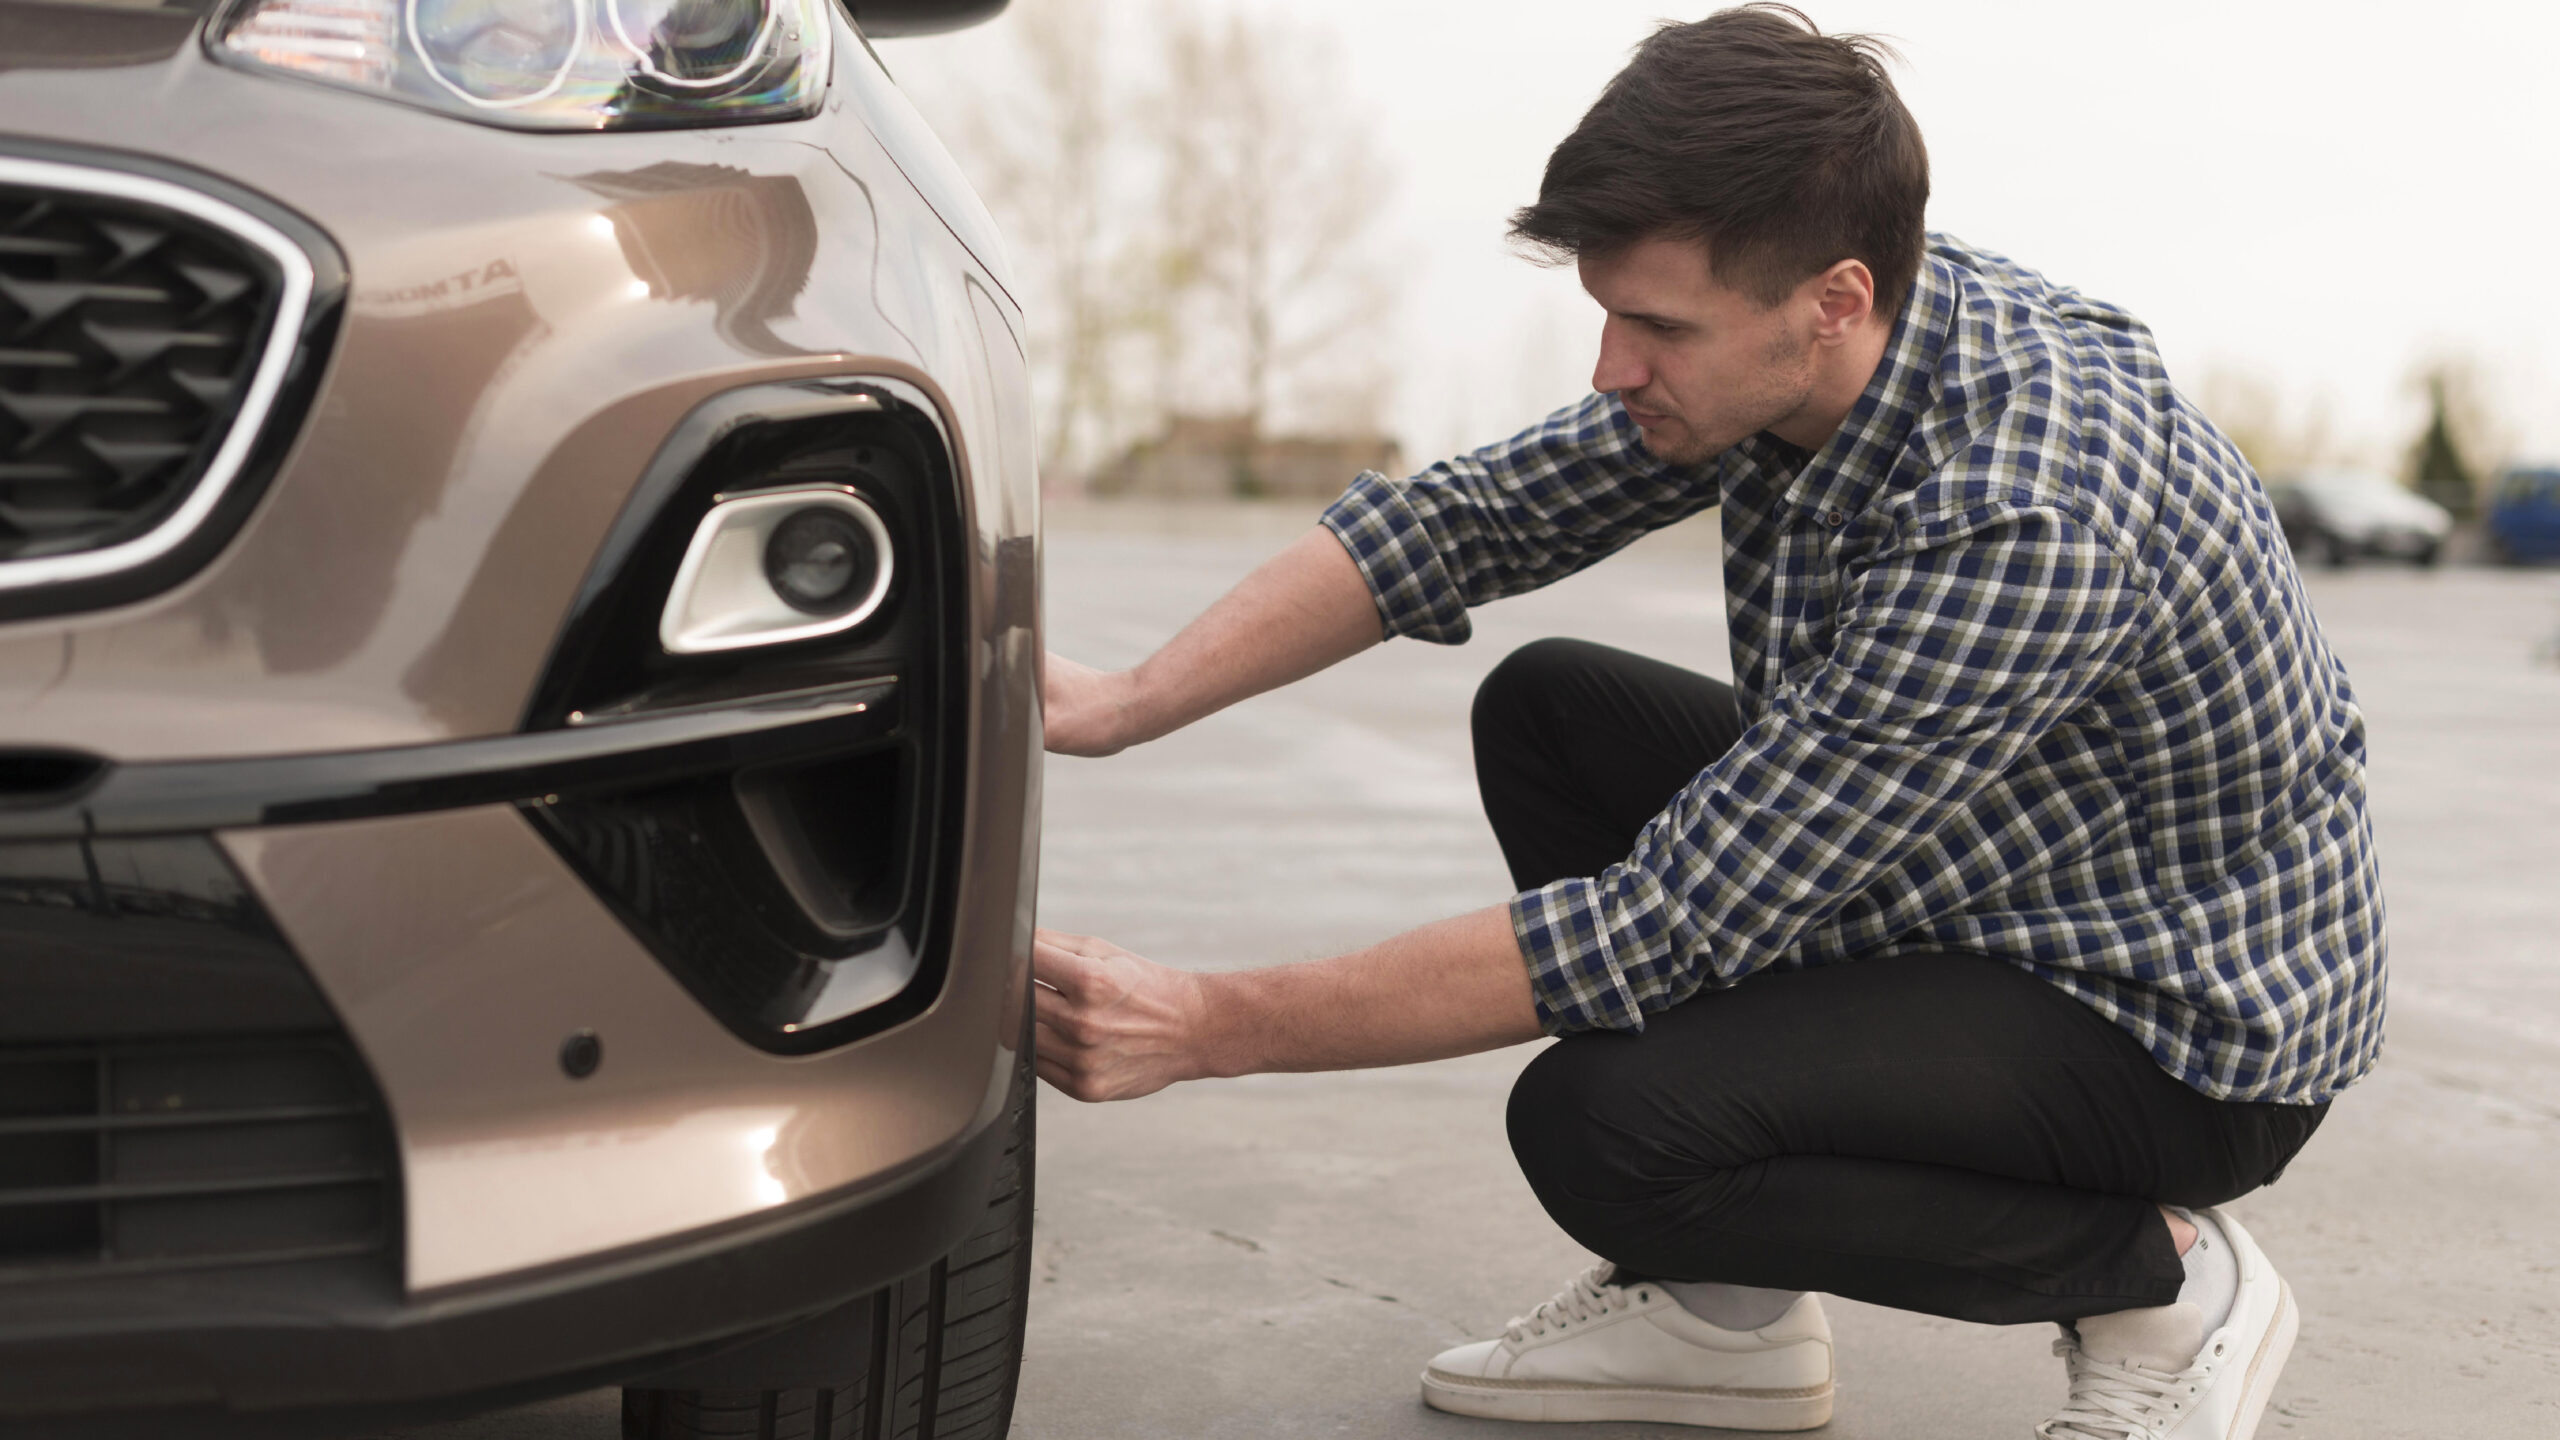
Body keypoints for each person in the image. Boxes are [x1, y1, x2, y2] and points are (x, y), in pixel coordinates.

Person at [1031, 7, 2383, 1438]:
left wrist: (1205, 1025)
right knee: (1553, 710)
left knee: (1605, 1129)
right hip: (1993, 876)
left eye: (1657, 327)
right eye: (1609, 313)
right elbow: (1469, 518)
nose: (1615, 367)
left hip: (2172, 1018)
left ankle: (2165, 1290)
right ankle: (1720, 1316)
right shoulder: (1821, 340)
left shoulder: (2020, 504)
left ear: (1834, 299)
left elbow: (1658, 928)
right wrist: (1123, 702)